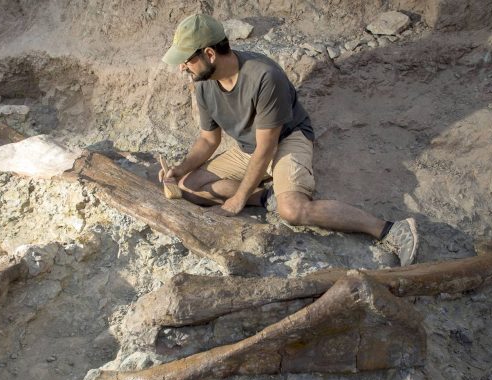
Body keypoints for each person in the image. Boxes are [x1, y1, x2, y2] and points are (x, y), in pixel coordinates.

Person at [160, 14, 420, 266]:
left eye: (186, 60)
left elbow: (267, 146)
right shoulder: (203, 83)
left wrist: (238, 199)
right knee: (189, 186)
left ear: (209, 54)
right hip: (249, 148)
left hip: (286, 139)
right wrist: (179, 169)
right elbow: (208, 139)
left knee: (292, 211)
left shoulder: (264, 76)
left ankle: (390, 230)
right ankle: (266, 198)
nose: (182, 66)